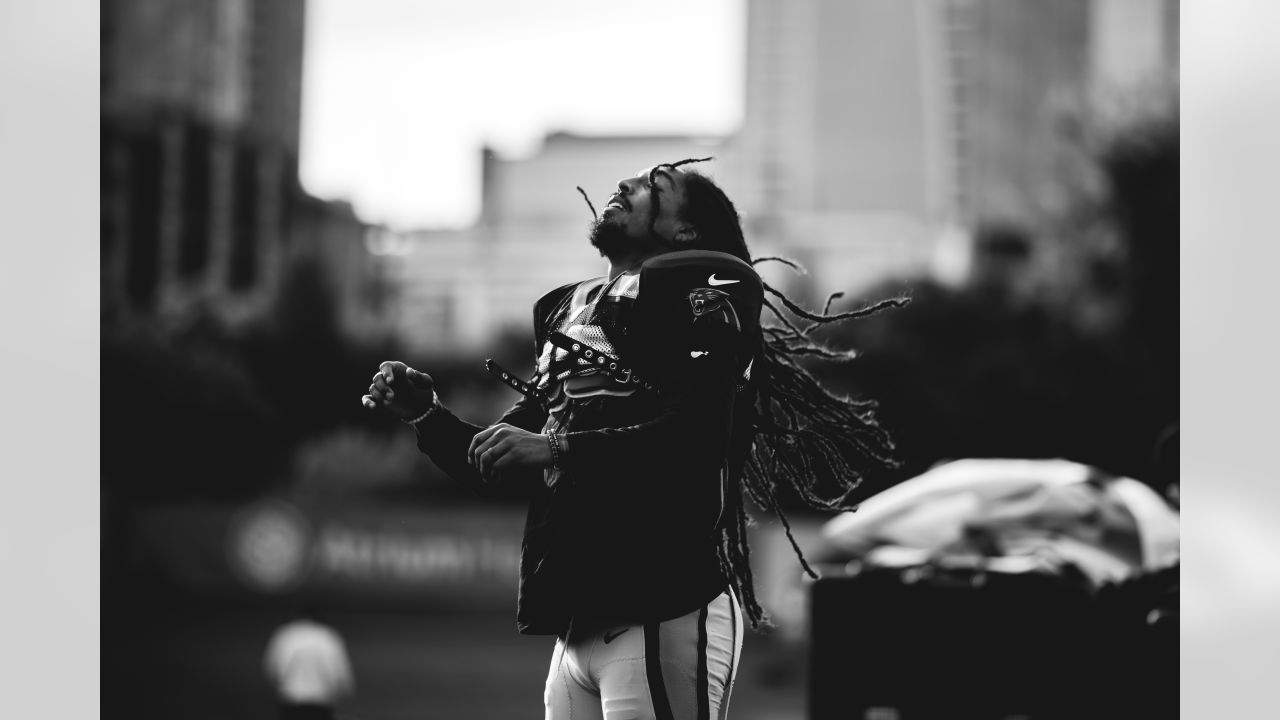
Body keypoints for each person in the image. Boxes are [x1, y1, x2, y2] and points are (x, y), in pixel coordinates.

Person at [361, 159, 903, 719]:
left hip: (663, 605)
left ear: (685, 232)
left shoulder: (706, 291)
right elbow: (494, 458)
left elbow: (697, 435)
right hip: (579, 624)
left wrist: (556, 447)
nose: (625, 185)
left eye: (654, 186)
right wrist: (426, 416)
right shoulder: (577, 309)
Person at [263, 605, 356, 720]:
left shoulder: (285, 635)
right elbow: (340, 672)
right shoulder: (328, 637)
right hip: (320, 700)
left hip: (291, 698)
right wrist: (346, 694)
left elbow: (272, 669)